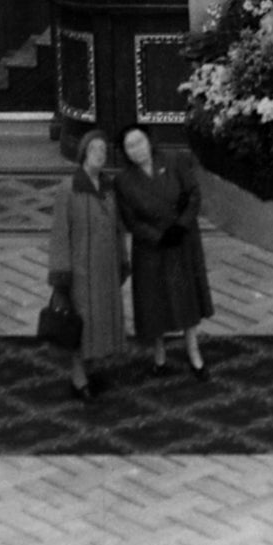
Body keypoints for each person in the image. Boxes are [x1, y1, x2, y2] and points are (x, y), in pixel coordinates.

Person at [115, 122, 212, 378]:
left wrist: (179, 227)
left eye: (139, 142)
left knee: (185, 297)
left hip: (181, 240)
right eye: (130, 147)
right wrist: (157, 236)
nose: (136, 150)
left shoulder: (174, 160)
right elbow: (131, 220)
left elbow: (193, 194)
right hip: (151, 247)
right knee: (154, 301)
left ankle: (194, 353)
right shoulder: (123, 181)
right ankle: (159, 355)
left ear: (149, 141)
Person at [46, 131, 131, 402]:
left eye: (103, 150)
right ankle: (78, 377)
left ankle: (89, 368)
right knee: (81, 324)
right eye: (94, 148)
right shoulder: (68, 188)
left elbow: (118, 228)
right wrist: (61, 274)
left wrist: (122, 260)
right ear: (83, 153)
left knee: (99, 322)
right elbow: (60, 234)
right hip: (80, 273)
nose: (99, 153)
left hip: (105, 269)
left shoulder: (108, 187)